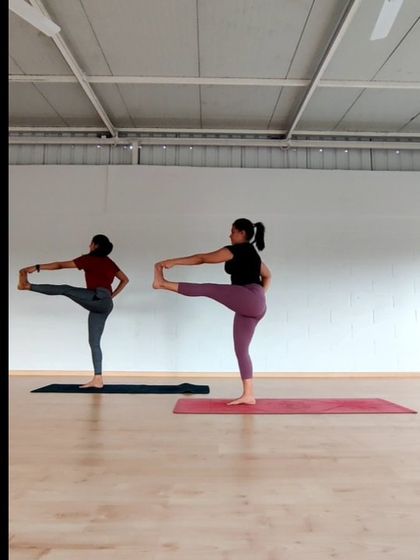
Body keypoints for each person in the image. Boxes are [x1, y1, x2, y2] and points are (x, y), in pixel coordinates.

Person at [153, 218, 271, 405]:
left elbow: (202, 258)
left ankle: (162, 283)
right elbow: (267, 275)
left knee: (208, 289)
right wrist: (259, 297)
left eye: (232, 231)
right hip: (254, 304)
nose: (229, 235)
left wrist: (172, 262)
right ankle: (249, 395)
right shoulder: (252, 254)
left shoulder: (236, 250)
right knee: (241, 350)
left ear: (242, 233)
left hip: (250, 298)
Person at [17, 234, 129, 389]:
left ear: (95, 245)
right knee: (94, 342)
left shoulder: (88, 259)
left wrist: (36, 267)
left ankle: (27, 286)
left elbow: (60, 265)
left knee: (65, 289)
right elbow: (125, 279)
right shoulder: (109, 262)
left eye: (91, 244)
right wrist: (111, 296)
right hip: (105, 304)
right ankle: (98, 379)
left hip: (97, 298)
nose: (89, 246)